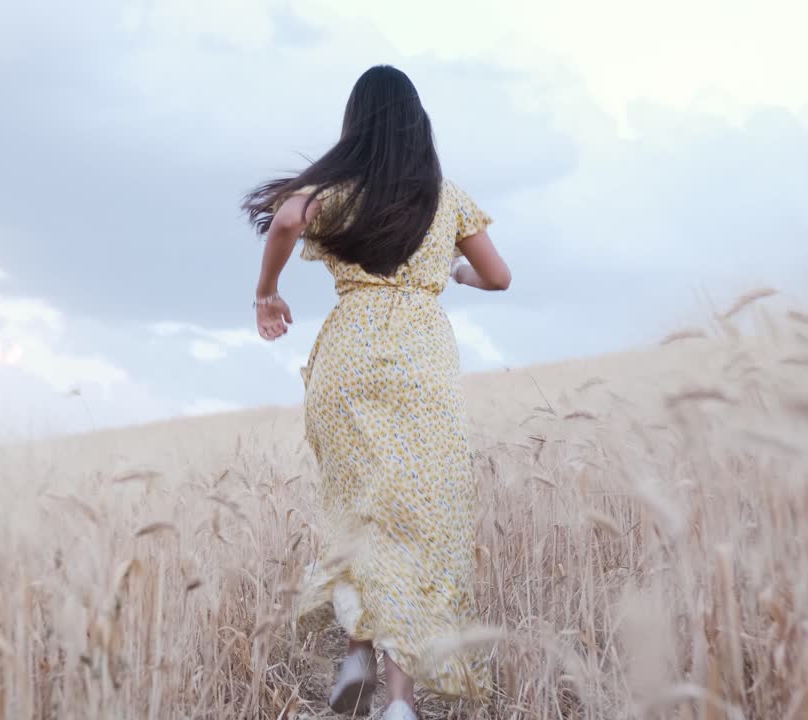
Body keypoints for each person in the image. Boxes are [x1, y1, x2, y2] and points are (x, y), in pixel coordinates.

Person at [241, 64, 511, 720]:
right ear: (419, 125)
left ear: (356, 126)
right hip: (420, 366)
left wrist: (266, 291)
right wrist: (452, 272)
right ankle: (398, 703)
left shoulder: (336, 191)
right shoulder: (445, 196)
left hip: (349, 362)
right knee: (415, 526)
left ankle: (359, 656)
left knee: (363, 513)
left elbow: (283, 221)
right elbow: (499, 277)